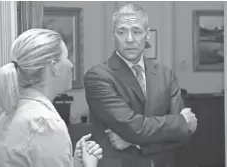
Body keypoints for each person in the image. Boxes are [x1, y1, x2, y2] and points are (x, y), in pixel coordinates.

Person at [83, 3, 197, 167]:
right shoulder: (99, 76)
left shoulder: (165, 74)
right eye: (122, 32)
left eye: (136, 31)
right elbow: (132, 128)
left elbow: (182, 135)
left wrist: (135, 142)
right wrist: (180, 122)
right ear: (113, 35)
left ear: (147, 34)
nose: (129, 39)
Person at [0, 29, 102, 167]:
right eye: (66, 58)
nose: (71, 65)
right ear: (54, 67)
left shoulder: (10, 112)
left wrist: (75, 163)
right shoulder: (45, 123)